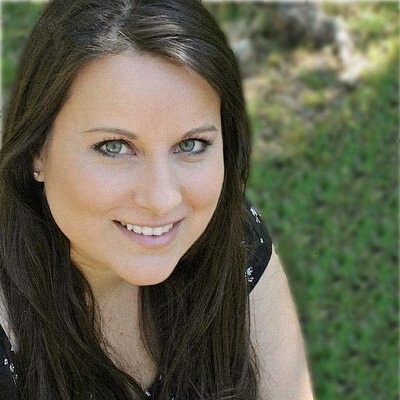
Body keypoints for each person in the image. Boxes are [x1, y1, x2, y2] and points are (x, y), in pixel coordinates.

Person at [0, 1, 314, 399]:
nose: (162, 199)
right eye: (114, 147)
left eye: (191, 144)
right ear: (36, 150)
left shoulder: (235, 240)